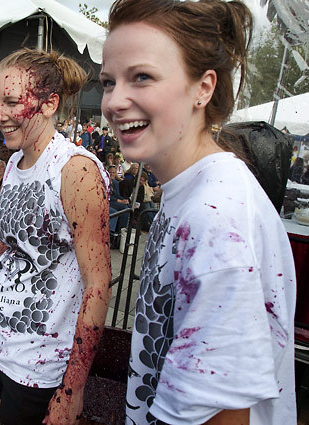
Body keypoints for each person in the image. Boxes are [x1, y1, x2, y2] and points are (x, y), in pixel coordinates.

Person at [102, 1, 296, 423]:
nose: (115, 101)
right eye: (108, 82)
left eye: (142, 77)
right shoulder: (193, 191)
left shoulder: (215, 217)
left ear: (203, 88)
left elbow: (223, 411)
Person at [0, 48, 111, 425]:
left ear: (50, 103)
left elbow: (99, 283)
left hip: (41, 360)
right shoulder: (15, 162)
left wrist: (73, 388)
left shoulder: (76, 172)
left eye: (12, 102)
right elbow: (17, 239)